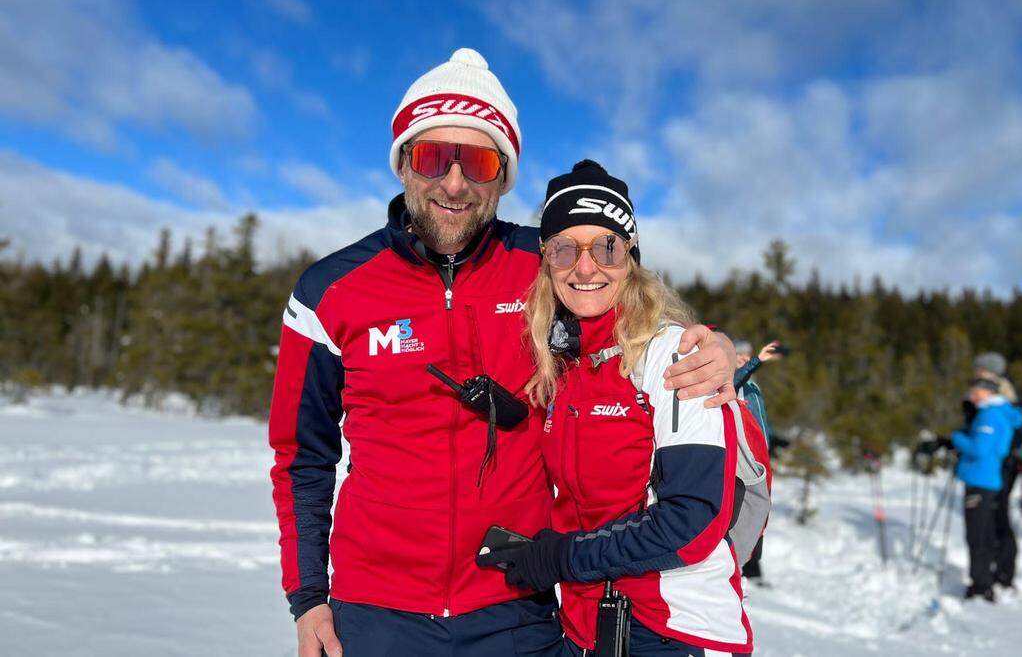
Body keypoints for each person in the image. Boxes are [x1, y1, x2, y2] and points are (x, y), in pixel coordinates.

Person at [266, 50, 737, 657]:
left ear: (503, 176)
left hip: (517, 607)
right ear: (405, 163)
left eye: (481, 161)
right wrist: (308, 599)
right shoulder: (331, 290)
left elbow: (627, 306)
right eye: (435, 156)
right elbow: (302, 457)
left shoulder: (543, 265)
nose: (455, 183)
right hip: (375, 611)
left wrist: (715, 346)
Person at [481, 160, 753, 656]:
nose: (586, 268)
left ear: (631, 258)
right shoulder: (562, 365)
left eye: (607, 246)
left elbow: (691, 522)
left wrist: (562, 557)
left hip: (676, 632)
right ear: (546, 263)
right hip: (588, 630)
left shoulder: (674, 356)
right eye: (565, 249)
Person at [952, 377, 1022, 602]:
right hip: (984, 478)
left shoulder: (990, 414)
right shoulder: (996, 412)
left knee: (977, 534)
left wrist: (957, 438)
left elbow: (980, 448)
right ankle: (986, 579)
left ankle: (981, 585)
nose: (972, 395)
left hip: (980, 479)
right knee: (985, 532)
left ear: (987, 392)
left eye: (975, 391)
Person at [734, 338, 782, 586]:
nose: (744, 358)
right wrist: (756, 362)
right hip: (742, 460)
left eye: (747, 354)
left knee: (762, 508)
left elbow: (761, 421)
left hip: (760, 457)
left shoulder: (753, 388)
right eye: (739, 354)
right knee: (747, 509)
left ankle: (752, 566)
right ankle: (742, 566)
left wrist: (775, 441)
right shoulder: (730, 381)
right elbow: (733, 381)